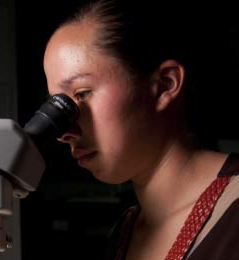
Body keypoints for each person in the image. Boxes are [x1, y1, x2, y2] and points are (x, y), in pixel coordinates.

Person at [43, 0, 239, 259]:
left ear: (164, 85)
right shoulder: (124, 232)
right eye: (57, 104)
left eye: (82, 93)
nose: (63, 131)